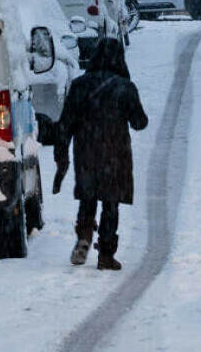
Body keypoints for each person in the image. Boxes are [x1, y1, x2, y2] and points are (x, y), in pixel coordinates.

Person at [52, 36, 148, 270]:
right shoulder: (124, 86)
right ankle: (106, 253)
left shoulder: (79, 85)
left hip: (86, 151)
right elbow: (139, 123)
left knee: (88, 197)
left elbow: (65, 124)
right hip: (115, 154)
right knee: (111, 202)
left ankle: (84, 235)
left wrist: (61, 155)